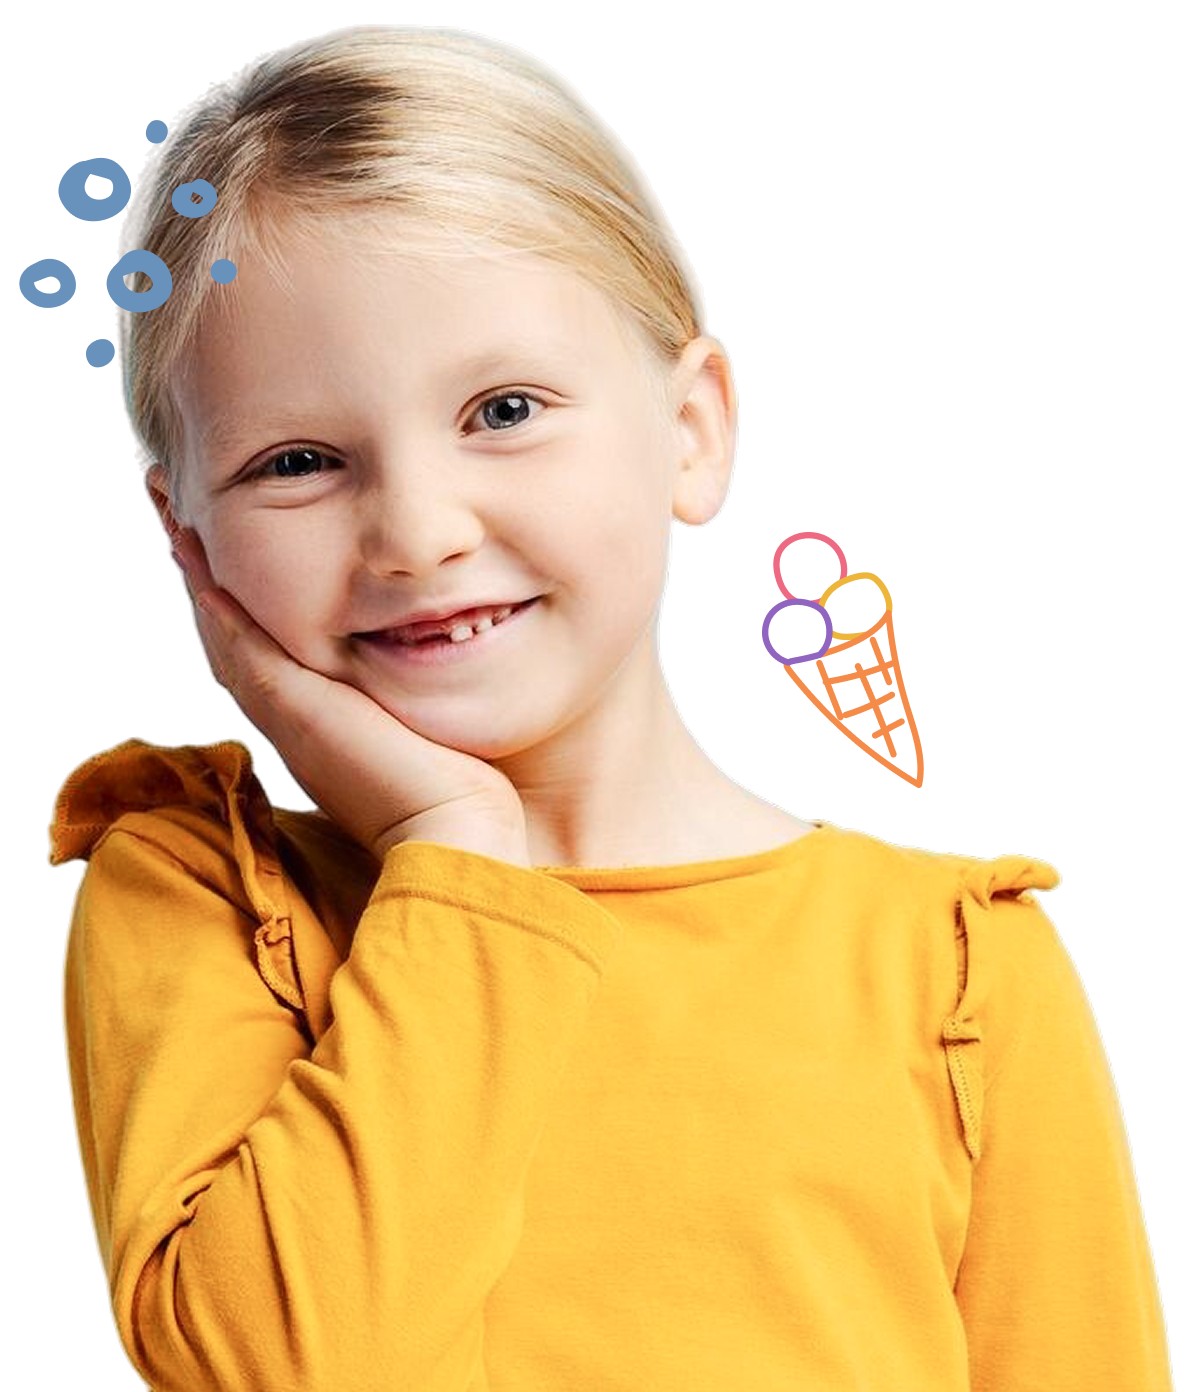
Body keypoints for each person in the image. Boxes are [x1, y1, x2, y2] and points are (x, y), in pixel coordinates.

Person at [47, 24, 1173, 1391]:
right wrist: (456, 847)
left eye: (504, 409)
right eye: (297, 462)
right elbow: (279, 1370)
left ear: (693, 429)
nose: (419, 532)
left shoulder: (956, 963)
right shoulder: (199, 894)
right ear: (183, 531)